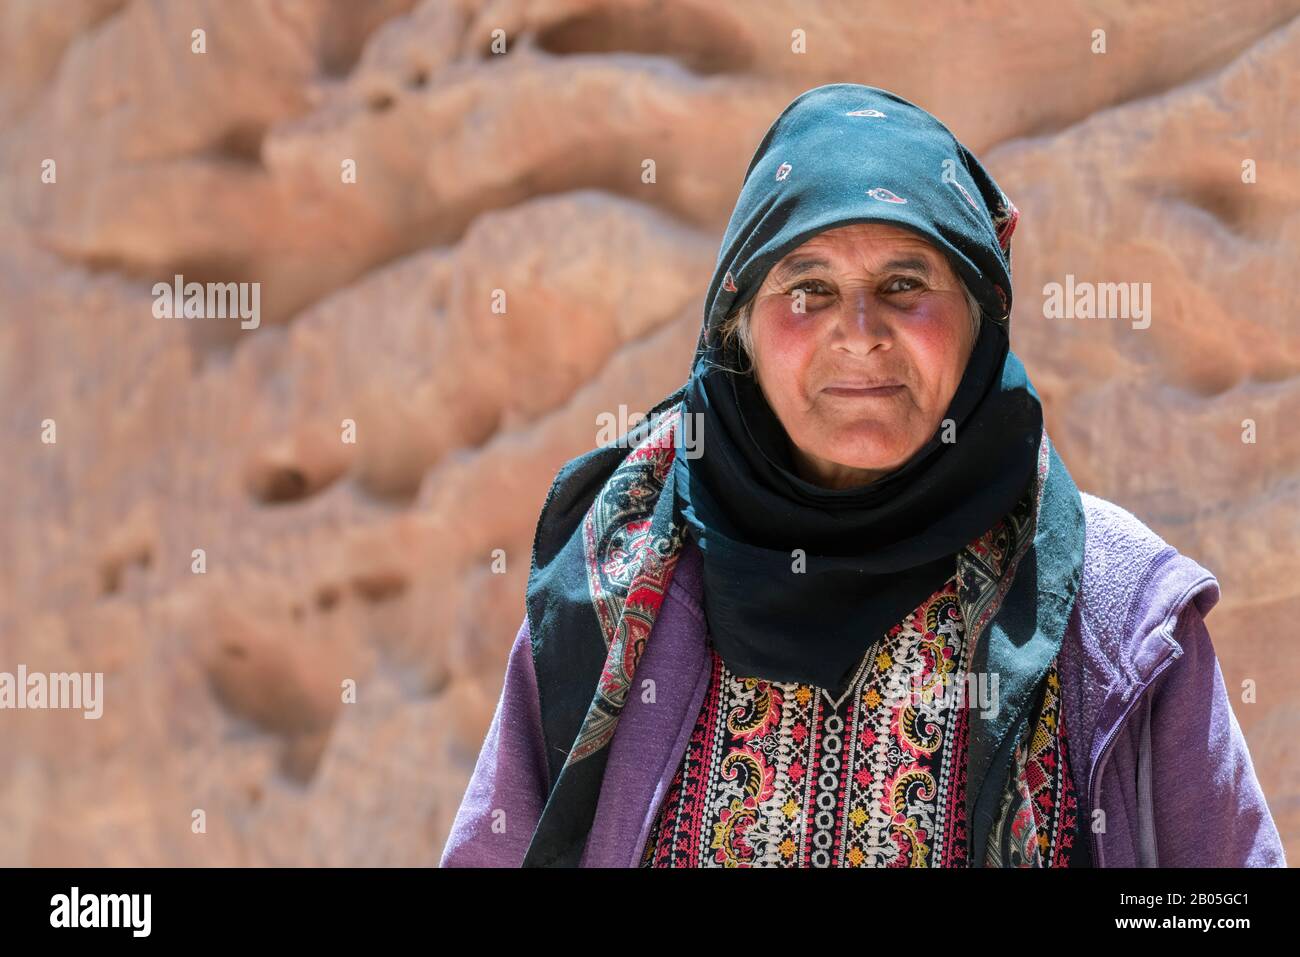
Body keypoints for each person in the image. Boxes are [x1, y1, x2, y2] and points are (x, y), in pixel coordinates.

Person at [439, 83, 1286, 868]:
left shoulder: (1116, 606)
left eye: (904, 283)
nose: (859, 332)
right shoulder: (620, 584)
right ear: (739, 330)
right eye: (807, 288)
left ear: (979, 314)